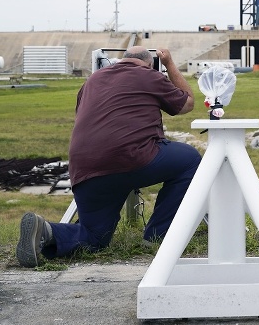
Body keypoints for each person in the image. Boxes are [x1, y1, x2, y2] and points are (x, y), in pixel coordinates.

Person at [16, 46, 200, 267]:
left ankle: (46, 230)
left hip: (85, 168)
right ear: (149, 64)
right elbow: (186, 103)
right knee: (190, 160)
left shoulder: (92, 81)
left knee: (95, 238)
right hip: (131, 157)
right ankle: (156, 236)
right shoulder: (148, 75)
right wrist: (169, 63)